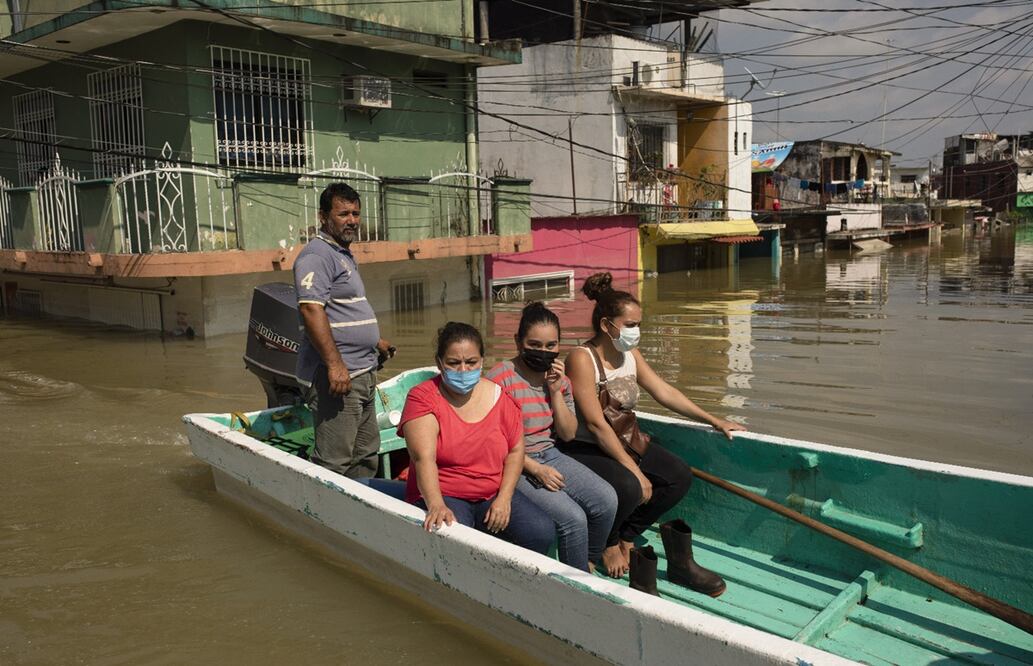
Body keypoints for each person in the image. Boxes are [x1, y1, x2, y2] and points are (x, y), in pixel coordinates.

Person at [561, 272, 745, 595]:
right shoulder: (582, 358)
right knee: (631, 486)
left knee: (678, 476)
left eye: (639, 324)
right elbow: (594, 424)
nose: (636, 332)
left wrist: (714, 419)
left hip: (625, 438)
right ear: (607, 326)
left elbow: (664, 391)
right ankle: (607, 543)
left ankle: (626, 536)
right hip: (588, 447)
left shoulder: (629, 355)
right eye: (630, 324)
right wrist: (635, 470)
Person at [399, 322, 553, 554]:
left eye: (471, 362)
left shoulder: (501, 398)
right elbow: (424, 458)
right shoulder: (423, 398)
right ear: (440, 362)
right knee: (456, 538)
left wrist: (504, 498)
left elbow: (515, 451)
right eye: (454, 363)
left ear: (482, 361)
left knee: (541, 530)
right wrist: (436, 504)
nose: (463, 370)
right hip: (444, 492)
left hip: (489, 493)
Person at [486, 302, 618, 573]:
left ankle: (585, 563)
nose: (543, 352)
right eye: (535, 345)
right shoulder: (500, 379)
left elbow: (568, 434)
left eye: (550, 346)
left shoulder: (558, 378)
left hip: (551, 453)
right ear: (518, 342)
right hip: (515, 463)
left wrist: (556, 391)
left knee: (607, 500)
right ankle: (575, 582)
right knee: (573, 518)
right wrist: (536, 470)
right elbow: (495, 442)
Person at [294, 182, 394, 479]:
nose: (351, 220)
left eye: (355, 213)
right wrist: (335, 365)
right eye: (343, 214)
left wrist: (375, 341)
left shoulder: (342, 254)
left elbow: (345, 308)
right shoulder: (317, 255)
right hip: (338, 378)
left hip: (363, 371)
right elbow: (311, 309)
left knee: (365, 455)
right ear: (323, 216)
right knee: (335, 462)